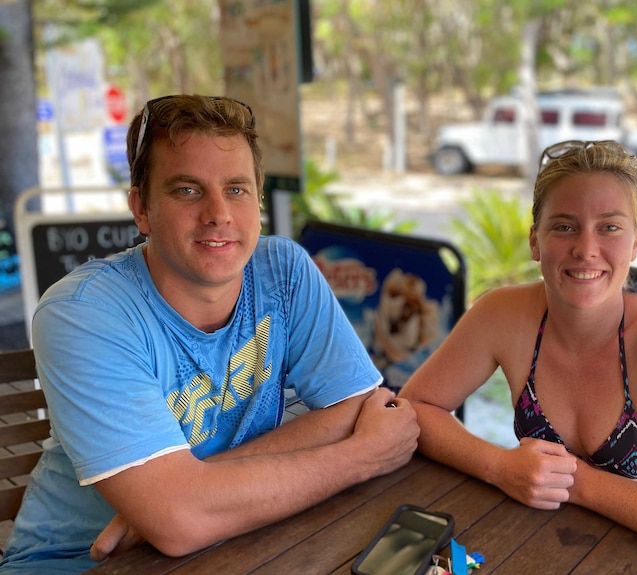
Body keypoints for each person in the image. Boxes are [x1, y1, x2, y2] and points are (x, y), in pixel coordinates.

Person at [0, 95, 419, 574]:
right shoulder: (84, 314)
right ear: (142, 208)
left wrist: (184, 496)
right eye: (187, 190)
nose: (218, 213)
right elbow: (179, 523)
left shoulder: (281, 271)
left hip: (235, 540)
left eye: (237, 190)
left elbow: (356, 406)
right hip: (84, 559)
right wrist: (363, 456)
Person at [399, 140, 637, 572]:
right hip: (544, 545)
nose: (585, 248)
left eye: (610, 228)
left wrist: (577, 484)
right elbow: (412, 408)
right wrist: (498, 464)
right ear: (535, 241)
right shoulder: (501, 315)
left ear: (635, 243)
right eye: (563, 227)